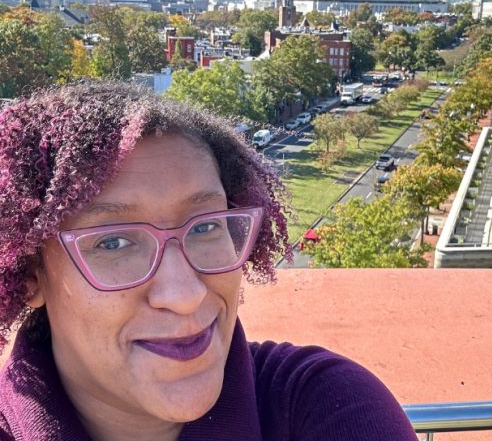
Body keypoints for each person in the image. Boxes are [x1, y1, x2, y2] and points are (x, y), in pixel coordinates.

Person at [0, 81, 416, 440]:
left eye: (204, 227)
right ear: (30, 274)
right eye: (113, 242)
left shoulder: (329, 406)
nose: (184, 295)